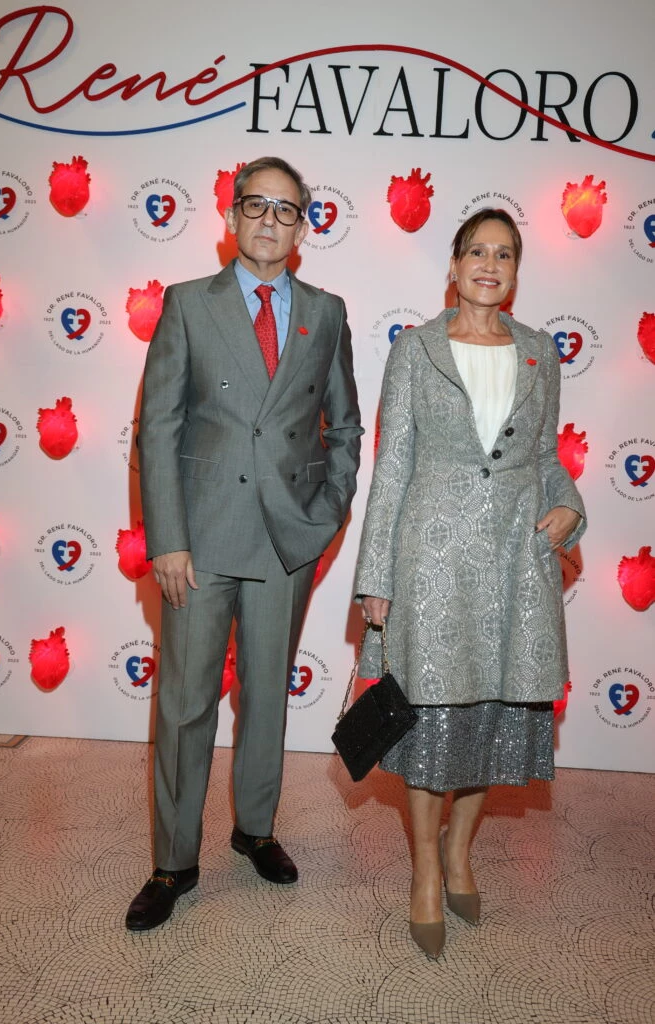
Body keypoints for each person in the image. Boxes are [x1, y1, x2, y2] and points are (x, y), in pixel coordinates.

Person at [126, 156, 362, 931]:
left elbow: (346, 425)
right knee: (187, 702)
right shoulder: (189, 304)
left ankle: (255, 829)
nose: (270, 219)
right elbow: (157, 429)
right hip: (199, 540)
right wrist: (167, 538)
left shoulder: (324, 313)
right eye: (256, 206)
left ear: (302, 228)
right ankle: (172, 861)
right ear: (230, 219)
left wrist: (326, 512)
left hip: (286, 538)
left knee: (266, 697)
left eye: (287, 210)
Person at [354, 208, 586, 959]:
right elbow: (390, 467)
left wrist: (568, 507)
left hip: (515, 560)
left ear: (516, 273)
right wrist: (375, 578)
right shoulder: (416, 350)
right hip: (432, 559)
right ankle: (425, 870)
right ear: (452, 267)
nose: (490, 264)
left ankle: (459, 852)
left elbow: (547, 456)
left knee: (492, 719)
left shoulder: (538, 352)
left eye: (505, 254)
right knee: (428, 724)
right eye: (476, 252)